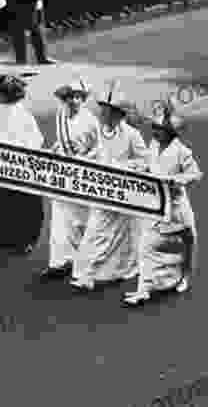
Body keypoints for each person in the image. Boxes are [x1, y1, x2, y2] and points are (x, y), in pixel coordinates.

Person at [71, 84, 148, 291]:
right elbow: (81, 148)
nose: (102, 112)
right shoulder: (96, 130)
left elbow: (144, 161)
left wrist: (123, 167)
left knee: (123, 234)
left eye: (106, 109)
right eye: (102, 108)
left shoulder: (133, 135)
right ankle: (85, 273)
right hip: (101, 189)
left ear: (117, 113)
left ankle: (117, 270)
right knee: (96, 230)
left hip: (123, 192)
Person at [122, 109, 202, 305]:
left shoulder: (182, 151)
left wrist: (177, 180)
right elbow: (149, 165)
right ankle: (144, 289)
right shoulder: (153, 145)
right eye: (154, 127)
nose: (155, 131)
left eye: (160, 128)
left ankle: (185, 277)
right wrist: (139, 168)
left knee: (189, 242)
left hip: (178, 208)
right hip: (158, 206)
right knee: (146, 246)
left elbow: (196, 174)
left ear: (170, 131)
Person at [0, 73, 45, 266]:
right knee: (23, 205)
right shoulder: (24, 116)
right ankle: (21, 241)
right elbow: (36, 142)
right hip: (19, 168)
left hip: (1, 168)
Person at [40, 80, 100, 280]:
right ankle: (59, 262)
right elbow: (61, 142)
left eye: (78, 97)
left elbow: (99, 150)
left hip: (83, 176)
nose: (74, 101)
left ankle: (85, 262)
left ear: (83, 99)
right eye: (70, 97)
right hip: (63, 174)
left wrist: (85, 160)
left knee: (82, 221)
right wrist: (55, 149)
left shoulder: (91, 121)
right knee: (59, 220)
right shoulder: (61, 117)